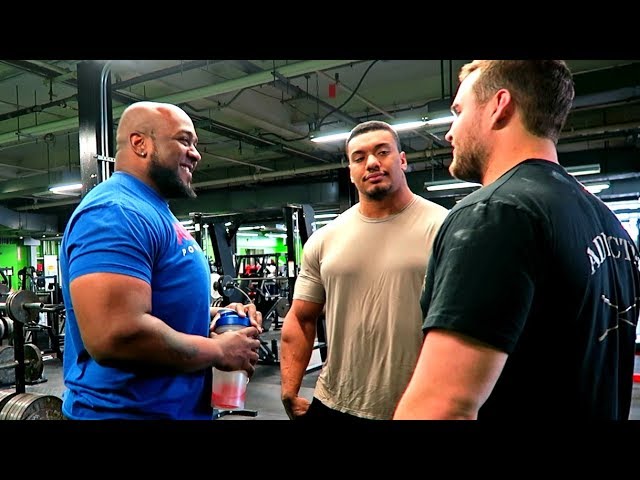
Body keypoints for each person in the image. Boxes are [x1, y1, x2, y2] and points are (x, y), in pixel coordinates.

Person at [393, 60, 640, 420]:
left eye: (458, 112)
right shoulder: (611, 226)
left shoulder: (495, 213)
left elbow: (442, 408)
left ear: (499, 105)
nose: (449, 132)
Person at [59, 101, 262, 420]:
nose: (196, 154)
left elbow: (161, 304)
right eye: (184, 140)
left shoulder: (152, 211)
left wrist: (220, 315)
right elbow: (116, 335)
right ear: (140, 143)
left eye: (195, 144)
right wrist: (219, 350)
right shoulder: (115, 212)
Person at [279, 120, 449, 420]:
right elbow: (301, 318)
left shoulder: (445, 228)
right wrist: (289, 388)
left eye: (382, 152)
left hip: (418, 405)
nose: (371, 163)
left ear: (402, 160)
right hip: (335, 402)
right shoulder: (324, 238)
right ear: (351, 171)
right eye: (359, 158)